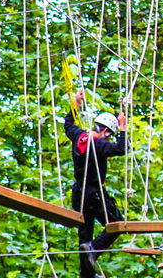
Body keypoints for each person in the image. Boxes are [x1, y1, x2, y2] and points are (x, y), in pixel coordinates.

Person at [64, 90, 129, 278]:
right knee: (116, 224)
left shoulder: (79, 137)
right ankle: (94, 248)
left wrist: (75, 104)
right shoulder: (99, 144)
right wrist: (123, 128)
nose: (108, 139)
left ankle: (87, 276)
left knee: (84, 236)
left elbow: (68, 125)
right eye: (109, 136)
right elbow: (121, 149)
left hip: (79, 193)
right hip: (94, 193)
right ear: (106, 131)